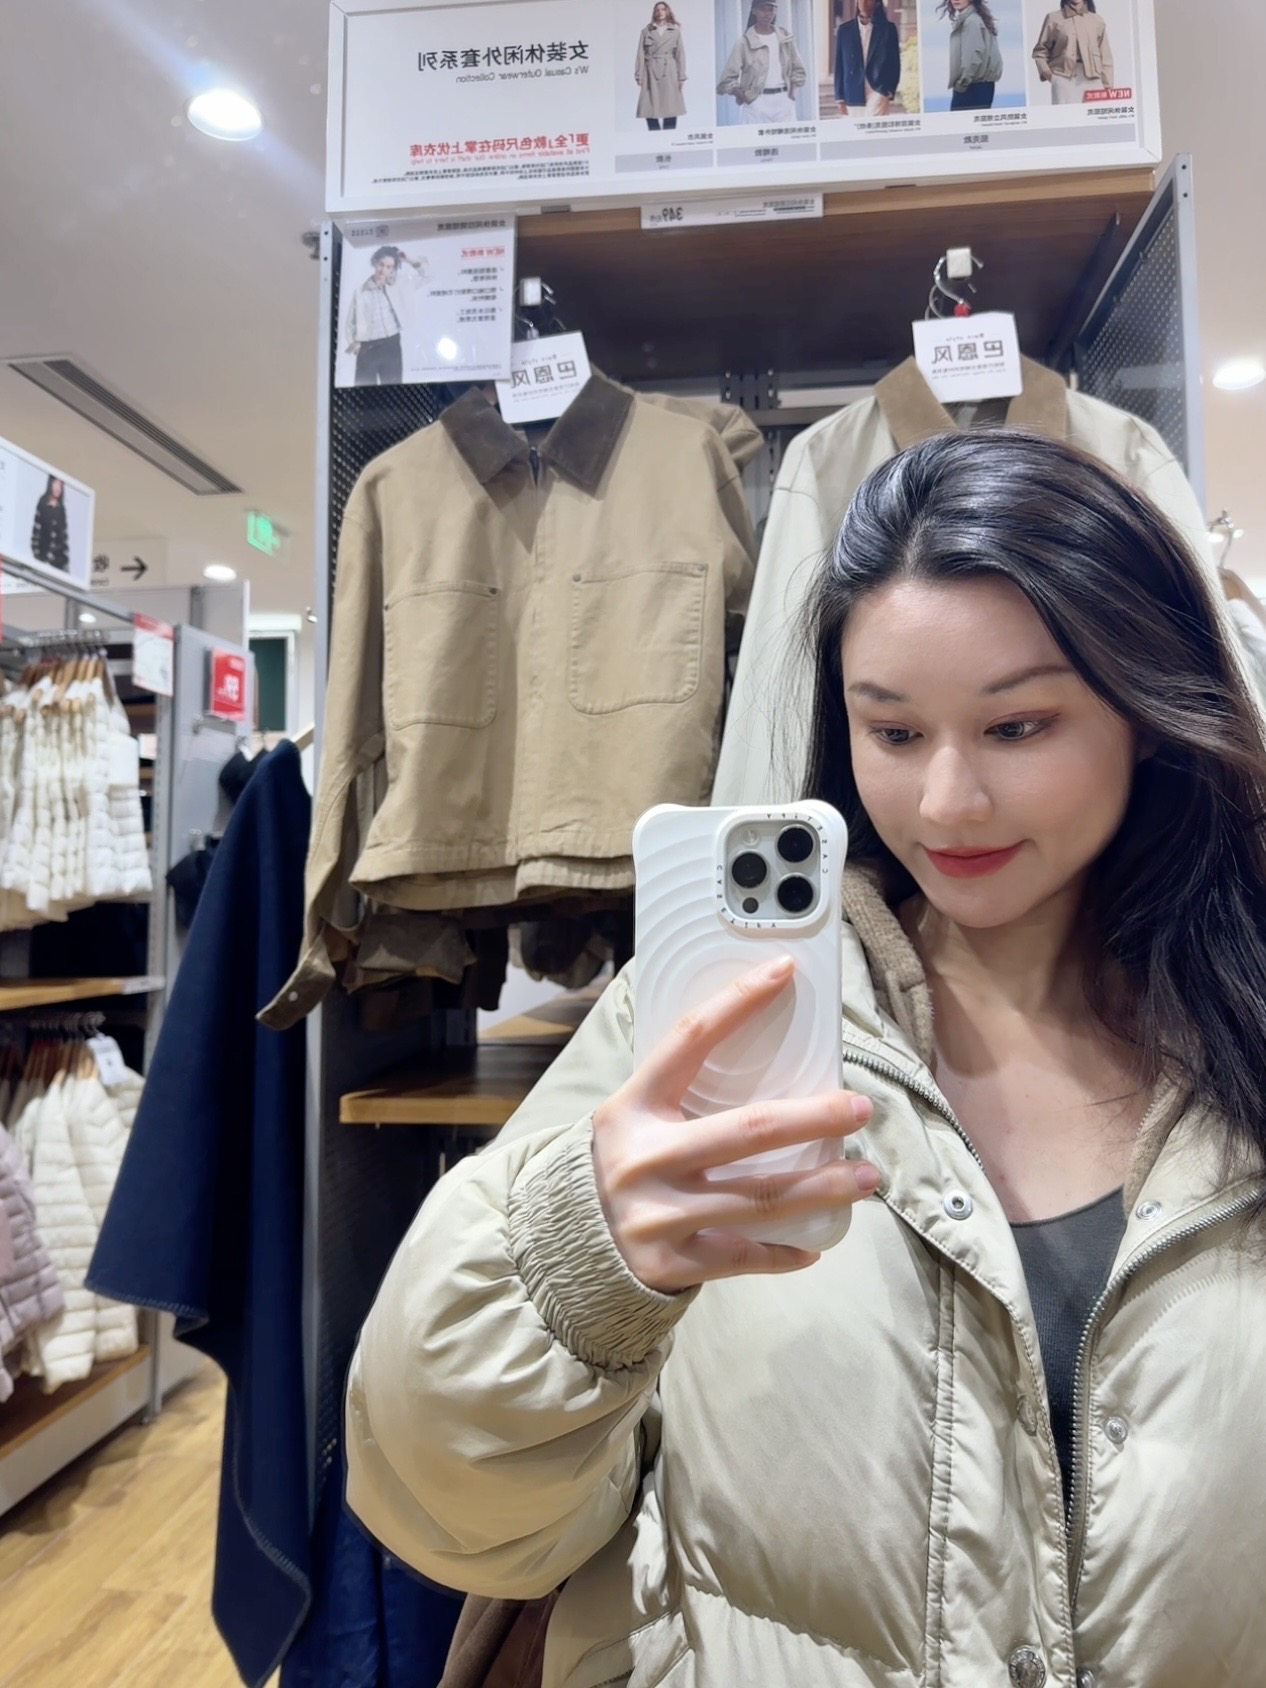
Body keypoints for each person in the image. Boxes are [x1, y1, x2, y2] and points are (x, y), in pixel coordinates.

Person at [345, 429, 1266, 1686]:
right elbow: (457, 1512)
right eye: (893, 731)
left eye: (1017, 724)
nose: (947, 801)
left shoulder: (1240, 1020)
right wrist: (578, 1266)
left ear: (1147, 711)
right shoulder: (695, 1024)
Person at [344, 245, 428, 387]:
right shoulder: (360, 291)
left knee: (394, 391)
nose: (383, 270)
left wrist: (409, 260)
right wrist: (355, 346)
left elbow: (429, 275)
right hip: (367, 348)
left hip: (391, 345)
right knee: (363, 392)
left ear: (393, 269)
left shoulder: (400, 285)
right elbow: (350, 323)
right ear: (374, 263)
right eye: (381, 264)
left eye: (389, 267)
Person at [716, 0, 808, 126]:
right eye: (763, 9)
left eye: (771, 9)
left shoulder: (785, 38)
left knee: (787, 138)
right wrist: (746, 98)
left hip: (783, 101)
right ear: (754, 11)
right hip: (757, 102)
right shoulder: (744, 42)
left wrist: (791, 95)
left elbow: (798, 69)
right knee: (754, 139)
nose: (767, 13)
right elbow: (727, 79)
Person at [1032, 0, 1115, 104]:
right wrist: (1051, 76)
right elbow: (1040, 52)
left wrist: (1108, 87)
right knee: (1064, 114)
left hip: (1094, 81)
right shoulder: (1053, 18)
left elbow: (1105, 56)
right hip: (1063, 79)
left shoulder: (1097, 20)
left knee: (1093, 114)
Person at [834, 0, 903, 117]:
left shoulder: (888, 29)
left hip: (879, 89)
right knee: (856, 126)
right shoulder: (844, 30)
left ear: (877, 2)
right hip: (852, 89)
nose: (864, 2)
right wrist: (839, 97)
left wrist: (889, 90)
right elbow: (839, 66)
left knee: (875, 126)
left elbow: (895, 63)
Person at [941, 0, 1003, 109]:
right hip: (981, 87)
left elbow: (973, 57)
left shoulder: (971, 21)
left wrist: (961, 84)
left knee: (959, 119)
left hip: (972, 87)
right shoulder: (977, 18)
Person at [635, 3, 687, 131]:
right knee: (648, 107)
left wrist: (681, 76)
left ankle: (669, 137)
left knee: (671, 106)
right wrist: (639, 74)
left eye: (663, 9)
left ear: (667, 12)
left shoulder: (675, 32)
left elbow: (680, 54)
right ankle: (655, 135)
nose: (660, 12)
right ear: (654, 13)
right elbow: (640, 54)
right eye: (657, 10)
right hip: (650, 71)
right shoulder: (646, 31)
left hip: (669, 71)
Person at [30, 475, 69, 571]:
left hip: (59, 561)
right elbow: (36, 530)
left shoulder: (61, 508)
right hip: (43, 557)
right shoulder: (43, 502)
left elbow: (64, 536)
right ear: (50, 484)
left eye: (60, 485)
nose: (58, 488)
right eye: (55, 484)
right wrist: (37, 554)